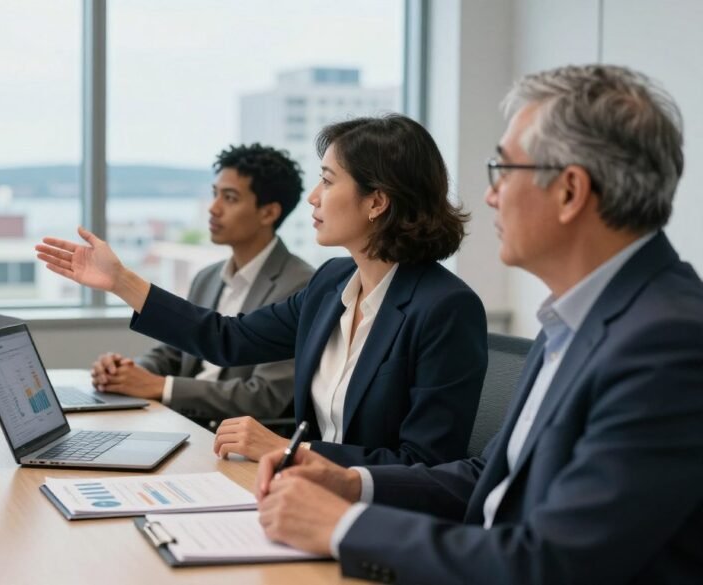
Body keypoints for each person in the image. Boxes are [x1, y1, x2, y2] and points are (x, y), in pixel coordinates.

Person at [253, 64, 703, 585]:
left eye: (504, 170)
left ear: (570, 191)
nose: (491, 195)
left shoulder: (669, 343)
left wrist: (343, 527)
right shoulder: (578, 318)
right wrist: (353, 483)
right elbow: (489, 478)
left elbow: (555, 564)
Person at [36, 114, 488, 464]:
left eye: (328, 181)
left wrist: (292, 451)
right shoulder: (331, 282)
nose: (313, 197)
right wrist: (121, 281)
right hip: (301, 492)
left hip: (373, 516)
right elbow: (227, 338)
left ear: (377, 201)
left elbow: (425, 464)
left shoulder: (445, 308)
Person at [90, 144, 314, 427]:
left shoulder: (300, 284)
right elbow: (173, 351)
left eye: (230, 198)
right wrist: (127, 373)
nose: (213, 208)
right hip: (182, 422)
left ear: (268, 212)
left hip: (229, 436)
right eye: (214, 194)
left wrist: (161, 387)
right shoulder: (207, 277)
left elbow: (265, 396)